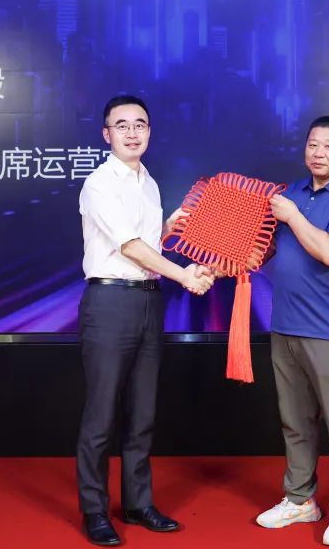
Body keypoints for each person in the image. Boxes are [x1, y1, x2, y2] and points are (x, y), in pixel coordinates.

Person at [76, 94, 213, 547]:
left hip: (149, 302)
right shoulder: (99, 183)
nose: (132, 132)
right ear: (106, 134)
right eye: (122, 125)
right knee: (101, 415)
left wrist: (171, 229)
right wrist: (185, 276)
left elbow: (148, 244)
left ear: (150, 131)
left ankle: (138, 503)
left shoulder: (148, 183)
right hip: (110, 303)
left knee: (142, 412)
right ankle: (95, 511)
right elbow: (130, 247)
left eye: (140, 124)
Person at [256, 115, 329, 547]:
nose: (318, 153)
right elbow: (261, 251)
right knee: (296, 422)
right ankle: (300, 499)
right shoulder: (290, 193)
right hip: (285, 326)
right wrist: (214, 257)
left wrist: (292, 216)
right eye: (312, 145)